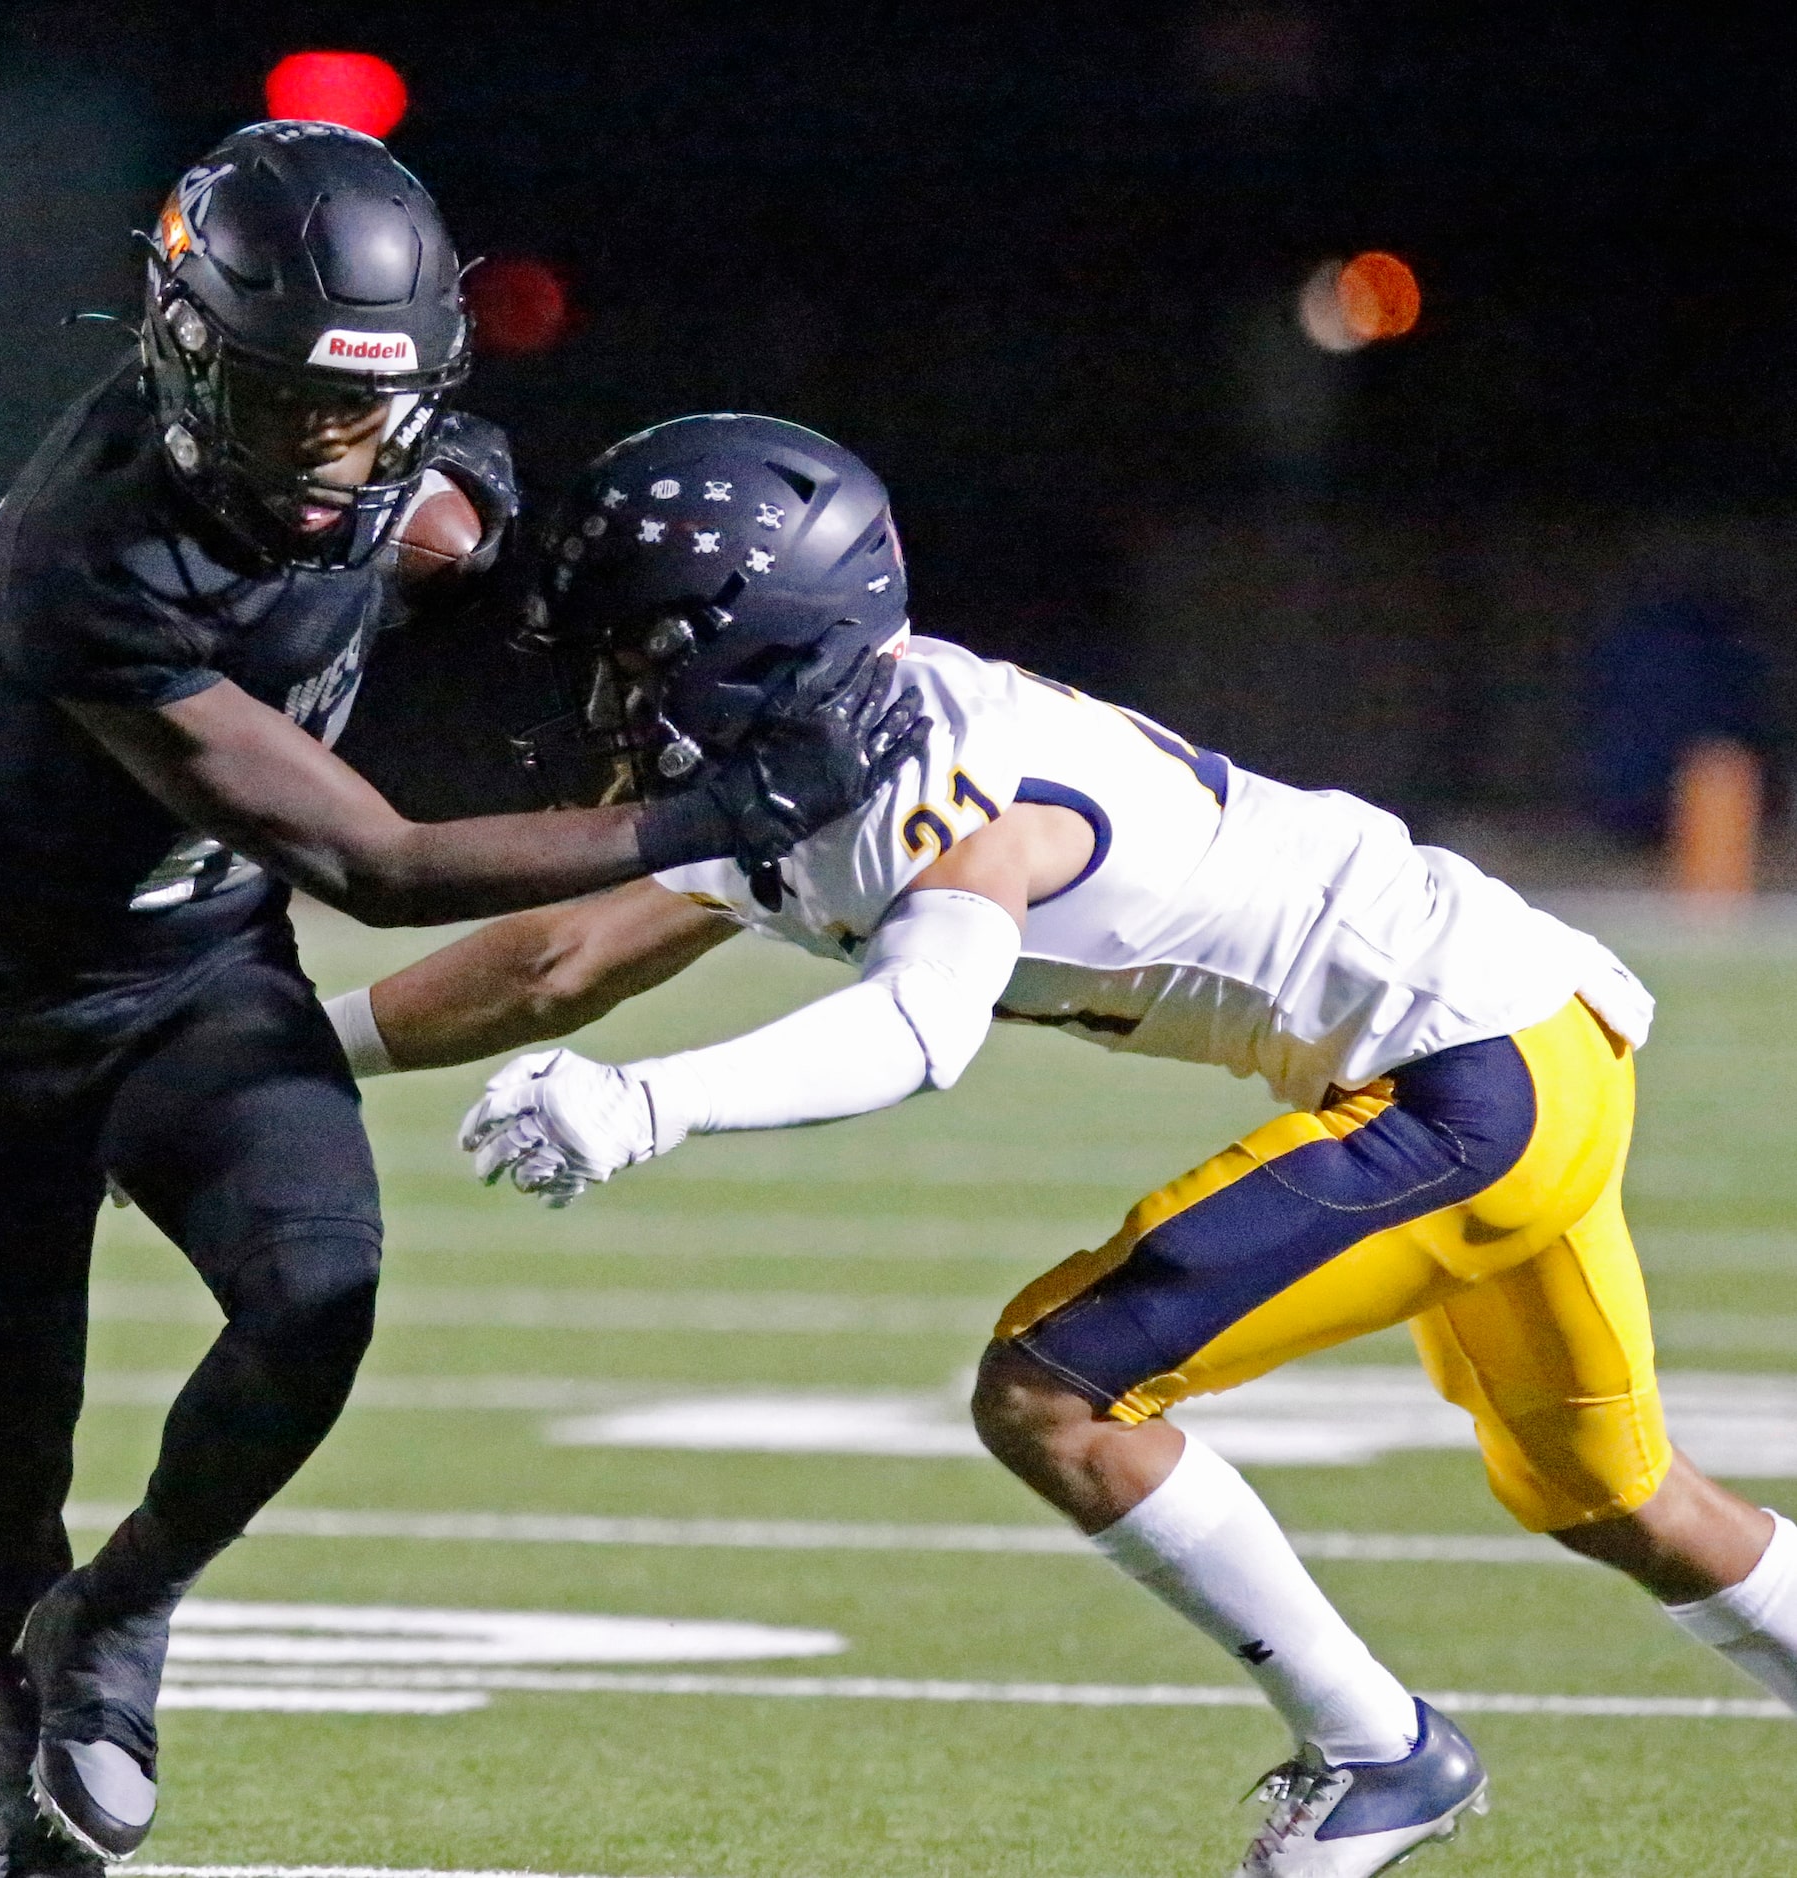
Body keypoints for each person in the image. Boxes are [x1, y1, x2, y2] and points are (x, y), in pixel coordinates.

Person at [330, 414, 1797, 1878]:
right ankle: (1386, 1751)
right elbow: (554, 959)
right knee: (1616, 1493)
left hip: (1473, 1077)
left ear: (753, 645)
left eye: (637, 655)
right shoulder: (808, 748)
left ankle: (1378, 1749)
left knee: (1056, 1392)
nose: (611, 690)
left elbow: (919, 1030)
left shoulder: (955, 785)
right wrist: (276, 1048)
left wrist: (652, 1104)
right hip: (1520, 1035)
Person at [0, 135, 922, 1877]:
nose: (326, 455)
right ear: (188, 354)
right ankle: (20, 1773)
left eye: (361, 411)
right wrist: (716, 812)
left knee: (319, 1292)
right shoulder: (98, 553)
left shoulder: (410, 470)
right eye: (284, 406)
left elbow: (485, 528)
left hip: (202, 970)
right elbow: (374, 864)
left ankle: (118, 1620)